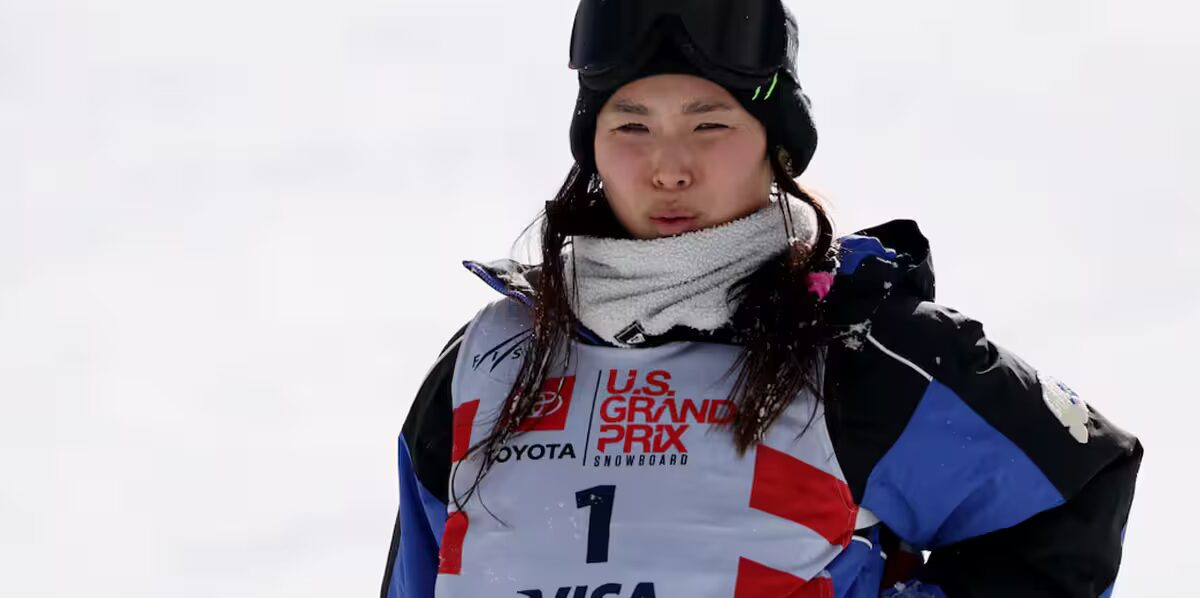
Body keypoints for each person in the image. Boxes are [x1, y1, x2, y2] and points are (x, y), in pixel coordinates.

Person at [380, 1, 1142, 596]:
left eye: (710, 124)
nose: (668, 168)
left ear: (776, 146)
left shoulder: (858, 347)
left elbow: (1071, 489)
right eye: (632, 125)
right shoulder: (491, 358)